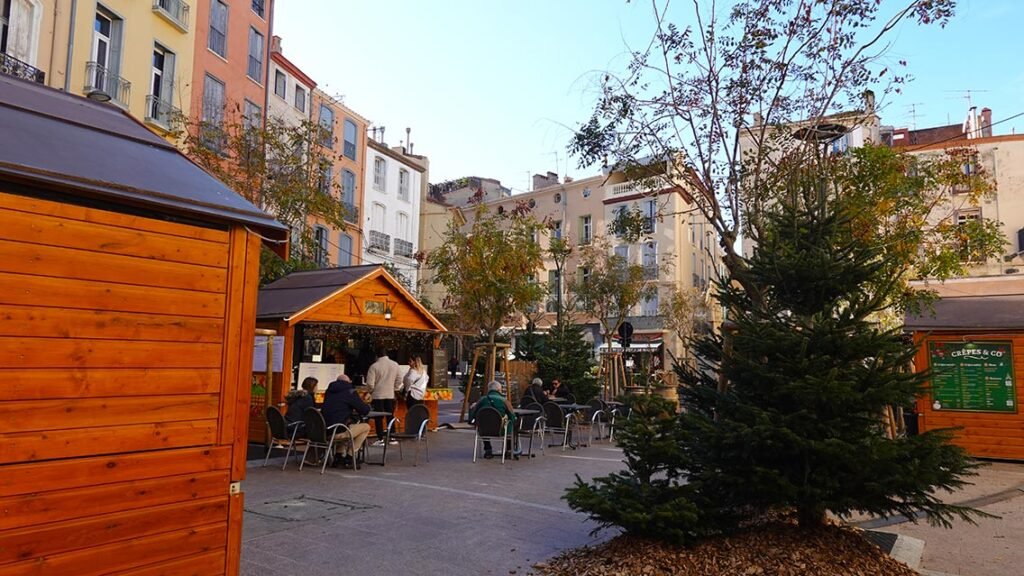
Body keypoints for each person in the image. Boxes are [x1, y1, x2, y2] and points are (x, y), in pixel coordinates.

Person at [320, 373, 371, 468]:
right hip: (337, 431)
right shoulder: (350, 391)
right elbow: (364, 410)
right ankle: (350, 456)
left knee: (344, 424)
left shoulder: (329, 391)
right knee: (365, 427)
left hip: (324, 430)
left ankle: (338, 456)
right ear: (348, 382)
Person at [365, 346, 403, 446]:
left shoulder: (374, 366)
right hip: (390, 394)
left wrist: (370, 391)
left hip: (378, 395)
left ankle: (380, 438)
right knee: (390, 415)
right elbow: (400, 379)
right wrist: (394, 388)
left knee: (378, 417)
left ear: (377, 355)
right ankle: (392, 437)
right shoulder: (395, 365)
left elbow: (370, 384)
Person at [469, 381, 516, 459]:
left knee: (483, 423)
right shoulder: (504, 401)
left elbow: (473, 414)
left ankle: (488, 449)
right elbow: (512, 416)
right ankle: (508, 450)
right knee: (511, 424)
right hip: (501, 430)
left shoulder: (481, 400)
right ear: (499, 390)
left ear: (489, 389)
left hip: (483, 430)